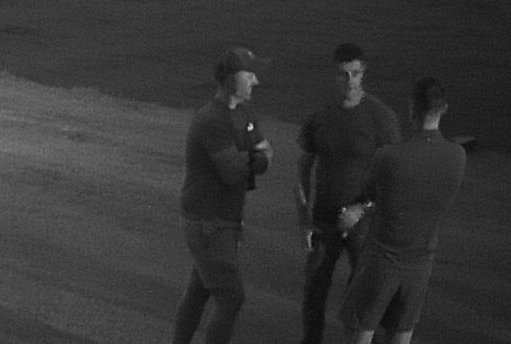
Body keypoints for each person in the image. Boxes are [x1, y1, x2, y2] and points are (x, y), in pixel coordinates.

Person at [335, 77, 467, 344]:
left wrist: (358, 211)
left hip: (382, 262)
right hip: (420, 266)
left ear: (412, 109)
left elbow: (371, 195)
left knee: (360, 332)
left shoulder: (389, 156)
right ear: (443, 109)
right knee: (401, 335)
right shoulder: (457, 156)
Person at [295, 43, 402, 344]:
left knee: (366, 296)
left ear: (363, 73)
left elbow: (393, 175)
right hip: (323, 220)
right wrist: (304, 218)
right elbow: (303, 167)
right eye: (343, 74)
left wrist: (362, 208)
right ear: (335, 75)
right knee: (314, 290)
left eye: (355, 73)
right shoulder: (321, 116)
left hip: (364, 224)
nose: (350, 81)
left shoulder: (381, 117)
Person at [171, 45, 272, 344]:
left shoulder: (245, 111)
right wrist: (255, 158)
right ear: (229, 77)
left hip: (223, 220)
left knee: (199, 289)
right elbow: (233, 172)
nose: (256, 81)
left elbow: (267, 154)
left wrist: (250, 158)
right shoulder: (211, 119)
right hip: (207, 222)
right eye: (249, 74)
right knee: (231, 296)